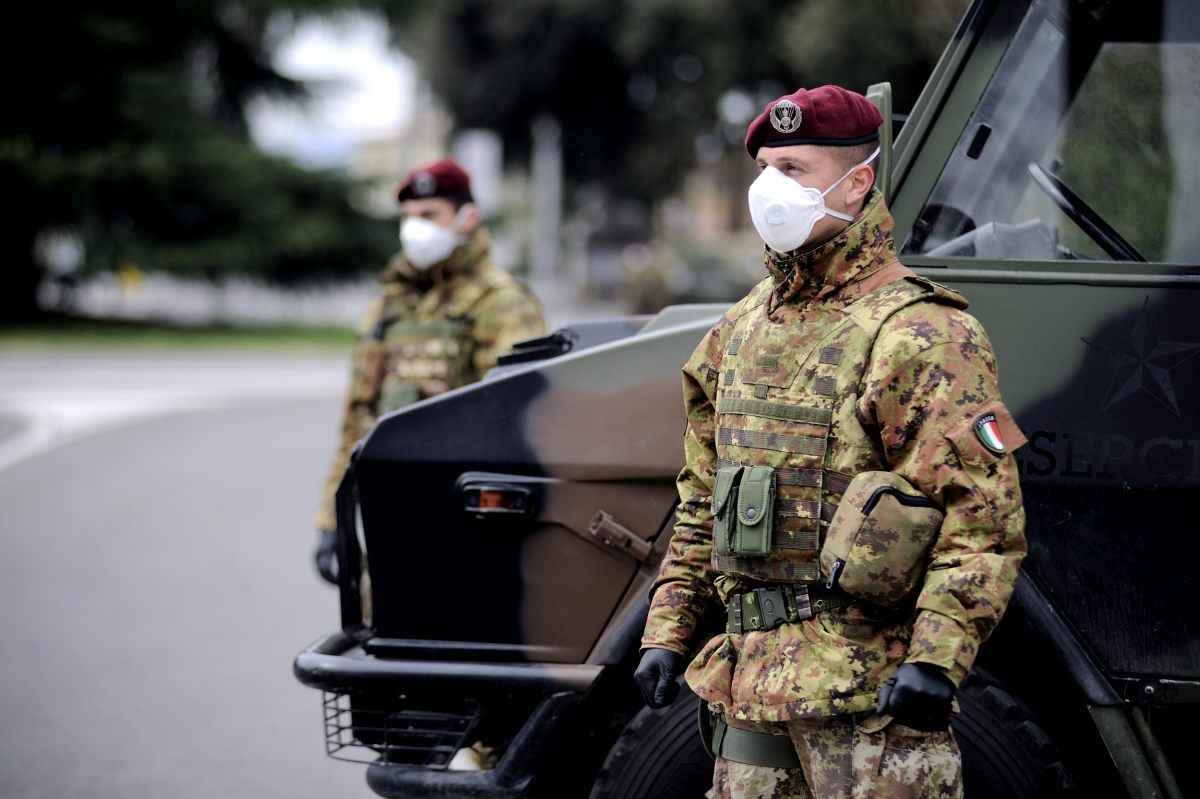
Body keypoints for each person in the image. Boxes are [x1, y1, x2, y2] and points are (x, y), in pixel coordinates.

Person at [633, 85, 1028, 798]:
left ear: (858, 180)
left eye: (795, 169)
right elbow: (701, 497)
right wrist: (668, 627)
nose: (769, 189)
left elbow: (981, 516)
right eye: (764, 167)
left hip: (873, 702)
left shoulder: (920, 331)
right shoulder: (740, 328)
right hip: (751, 693)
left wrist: (937, 659)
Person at [314, 158, 546, 582]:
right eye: (406, 218)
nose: (413, 229)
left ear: (467, 218)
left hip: (467, 520)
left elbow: (518, 422)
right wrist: (334, 518)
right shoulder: (389, 307)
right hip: (391, 518)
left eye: (428, 216)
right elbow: (358, 420)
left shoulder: (500, 303)